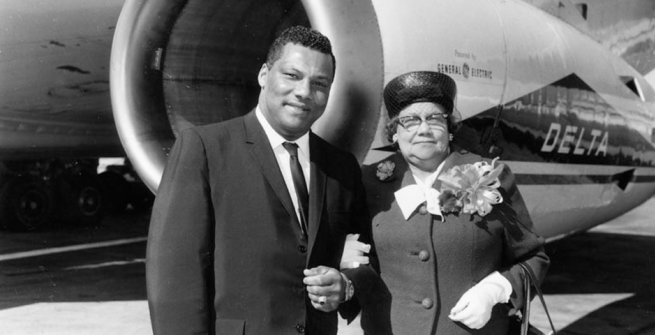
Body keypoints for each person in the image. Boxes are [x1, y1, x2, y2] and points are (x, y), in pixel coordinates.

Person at [146, 26, 391, 335]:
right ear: (264, 74)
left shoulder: (341, 167)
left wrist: (347, 287)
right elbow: (175, 276)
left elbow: (366, 257)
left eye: (320, 83)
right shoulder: (205, 149)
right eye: (292, 75)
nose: (304, 92)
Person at [342, 71, 549, 334]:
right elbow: (349, 259)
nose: (424, 129)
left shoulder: (490, 176)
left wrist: (495, 290)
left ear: (450, 129)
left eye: (435, 118)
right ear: (394, 132)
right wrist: (341, 256)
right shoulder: (367, 182)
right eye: (410, 120)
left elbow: (533, 258)